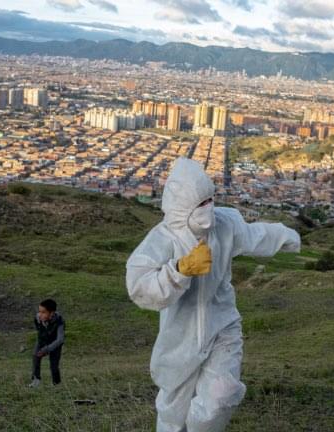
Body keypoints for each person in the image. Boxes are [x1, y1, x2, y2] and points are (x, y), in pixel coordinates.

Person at [126, 157, 301, 431]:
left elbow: (255, 235)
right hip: (179, 336)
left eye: (210, 200)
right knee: (172, 414)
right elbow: (138, 286)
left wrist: (287, 236)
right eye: (199, 203)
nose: (207, 208)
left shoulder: (225, 224)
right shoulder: (164, 239)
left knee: (222, 394)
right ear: (181, 206)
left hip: (223, 325)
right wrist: (179, 270)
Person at [29, 298, 65, 387]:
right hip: (42, 339)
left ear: (52, 313)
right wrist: (42, 347)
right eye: (39, 311)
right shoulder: (37, 318)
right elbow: (39, 331)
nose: (39, 314)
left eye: (43, 312)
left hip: (55, 342)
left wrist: (47, 349)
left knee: (54, 365)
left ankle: (56, 384)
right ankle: (36, 380)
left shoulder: (60, 320)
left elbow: (60, 339)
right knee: (35, 356)